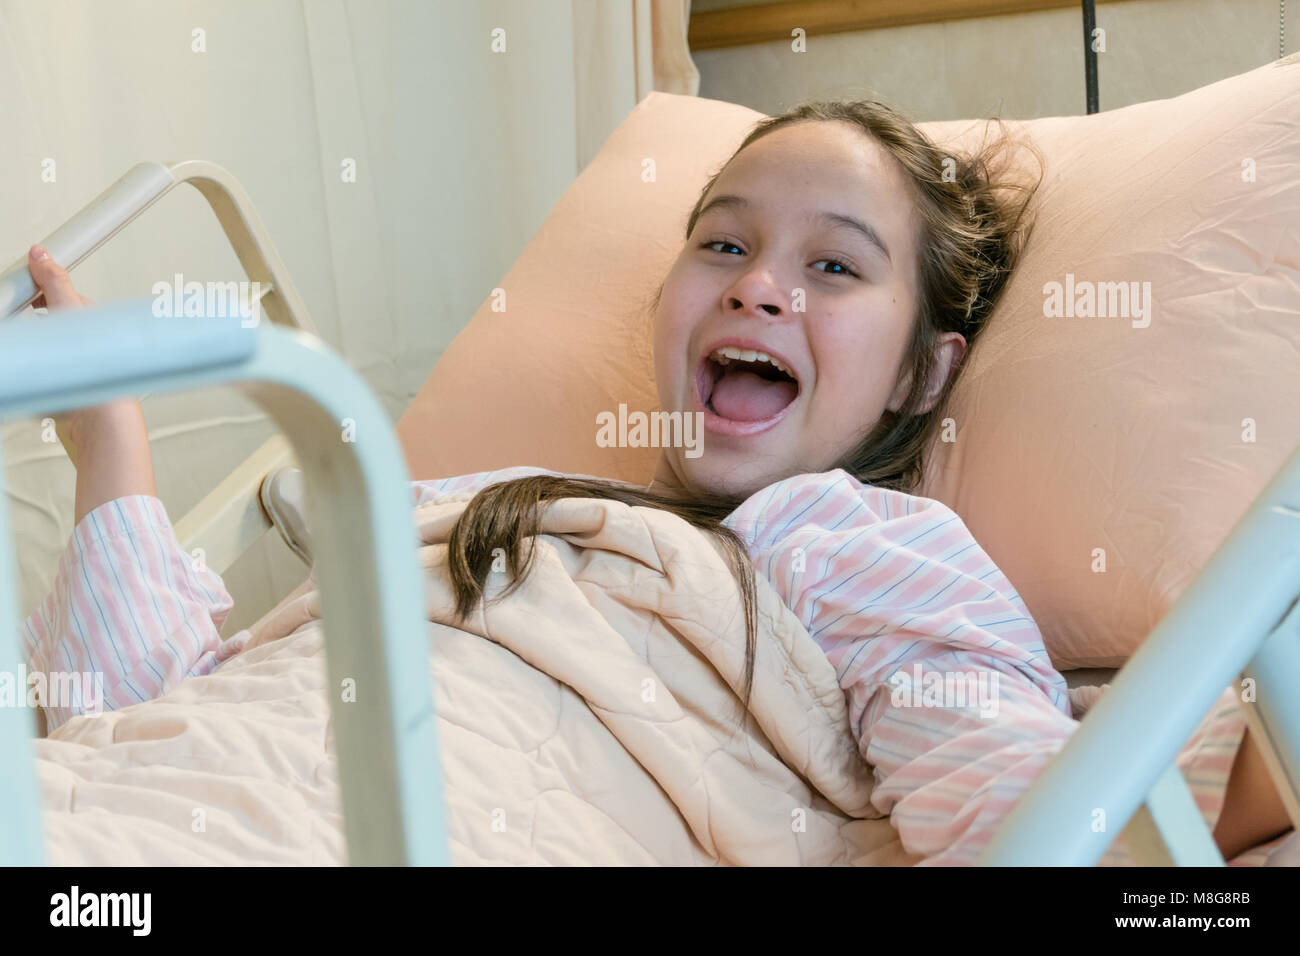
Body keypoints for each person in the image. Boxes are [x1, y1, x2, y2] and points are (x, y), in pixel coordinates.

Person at [20, 99, 1294, 866]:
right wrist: (113, 444)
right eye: (723, 242)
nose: (755, 283)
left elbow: (1019, 812)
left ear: (922, 375)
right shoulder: (471, 493)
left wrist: (1211, 790)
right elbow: (151, 719)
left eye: (835, 268)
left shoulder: (853, 539)